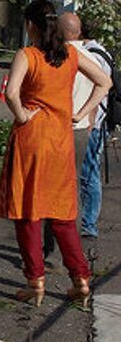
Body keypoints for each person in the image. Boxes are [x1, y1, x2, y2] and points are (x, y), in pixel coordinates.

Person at [0, 0, 111, 308]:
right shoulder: (71, 54)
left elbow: (11, 92)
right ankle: (81, 279)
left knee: (28, 211)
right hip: (61, 138)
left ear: (30, 25)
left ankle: (36, 282)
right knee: (62, 213)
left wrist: (21, 115)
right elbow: (105, 82)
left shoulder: (27, 55)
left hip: (32, 138)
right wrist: (82, 113)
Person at [59, 13, 112, 240]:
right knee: (87, 174)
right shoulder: (104, 54)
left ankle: (87, 223)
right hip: (96, 122)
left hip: (88, 125)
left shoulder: (87, 56)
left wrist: (85, 115)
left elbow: (99, 86)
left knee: (86, 176)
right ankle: (85, 222)